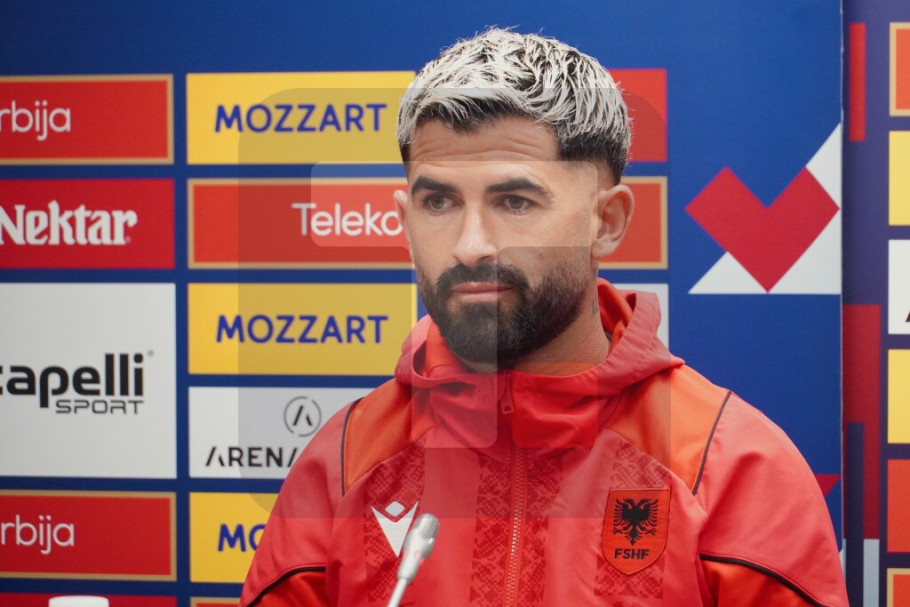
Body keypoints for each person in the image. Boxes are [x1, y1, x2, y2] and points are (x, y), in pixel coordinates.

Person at [240, 29, 848, 606]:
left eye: (514, 201)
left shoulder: (732, 469)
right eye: (439, 202)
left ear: (606, 221)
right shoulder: (343, 463)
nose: (470, 246)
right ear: (404, 219)